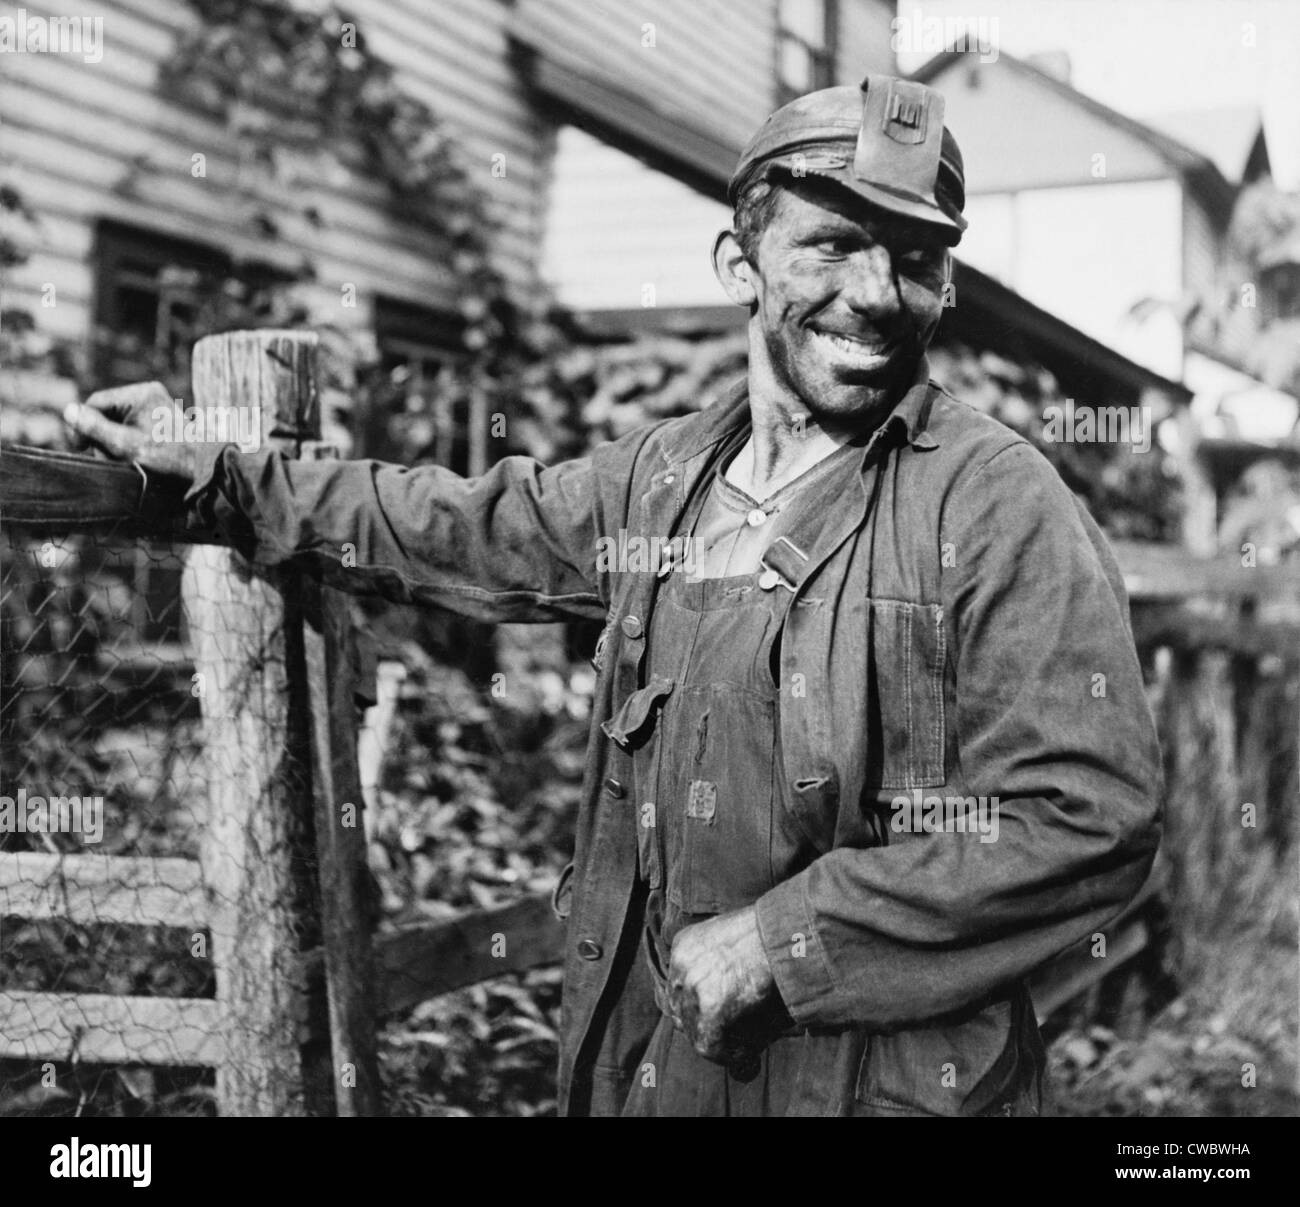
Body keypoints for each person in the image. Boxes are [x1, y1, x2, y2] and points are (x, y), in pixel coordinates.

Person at [66, 74, 1162, 1117]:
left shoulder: (995, 499)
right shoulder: (663, 481)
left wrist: (780, 943)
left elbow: (1087, 818)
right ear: (741, 262)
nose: (876, 294)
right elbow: (455, 523)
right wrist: (221, 474)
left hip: (877, 1082)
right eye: (832, 245)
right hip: (659, 1066)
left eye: (915, 260)